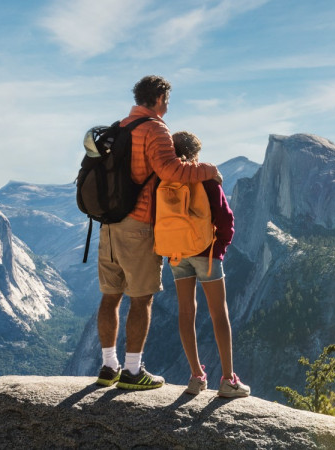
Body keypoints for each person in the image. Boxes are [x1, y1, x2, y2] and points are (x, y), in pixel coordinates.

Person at [96, 75, 222, 390]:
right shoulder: (155, 129)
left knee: (110, 296)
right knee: (141, 299)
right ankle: (133, 371)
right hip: (138, 225)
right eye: (166, 99)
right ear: (159, 98)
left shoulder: (120, 128)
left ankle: (108, 366)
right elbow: (171, 171)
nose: (167, 105)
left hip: (108, 224)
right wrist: (209, 171)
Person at [169, 131, 250, 398]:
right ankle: (228, 380)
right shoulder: (206, 180)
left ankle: (195, 377)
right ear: (195, 155)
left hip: (177, 253)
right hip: (206, 252)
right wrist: (220, 249)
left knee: (185, 313)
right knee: (219, 314)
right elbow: (226, 219)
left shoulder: (165, 180)